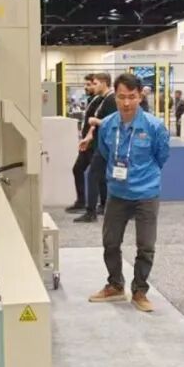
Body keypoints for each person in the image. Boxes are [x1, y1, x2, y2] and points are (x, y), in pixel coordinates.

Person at [87, 73, 170, 313]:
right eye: (121, 97)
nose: (126, 103)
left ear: (140, 96)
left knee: (146, 246)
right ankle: (115, 284)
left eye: (131, 97)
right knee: (110, 242)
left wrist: (143, 175)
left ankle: (140, 290)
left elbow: (161, 156)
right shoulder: (107, 125)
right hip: (117, 192)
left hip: (146, 192)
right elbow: (105, 151)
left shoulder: (154, 126)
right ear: (115, 95)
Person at [75, 73, 115, 223]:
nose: (93, 86)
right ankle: (99, 207)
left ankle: (91, 211)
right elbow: (95, 124)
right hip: (99, 143)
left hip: (106, 144)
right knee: (98, 176)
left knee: (94, 175)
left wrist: (96, 121)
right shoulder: (101, 100)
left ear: (104, 83)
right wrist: (88, 137)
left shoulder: (111, 100)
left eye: (95, 83)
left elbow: (113, 122)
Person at [66, 74, 104, 214]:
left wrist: (90, 137)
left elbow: (97, 122)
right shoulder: (91, 100)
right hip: (87, 144)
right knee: (78, 169)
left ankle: (99, 205)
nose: (86, 87)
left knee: (96, 175)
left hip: (94, 144)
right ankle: (81, 201)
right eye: (86, 84)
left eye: (90, 84)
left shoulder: (101, 101)